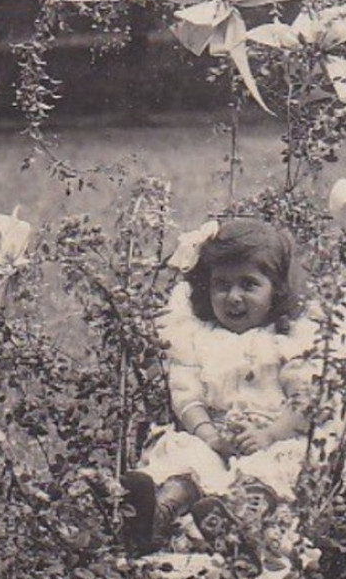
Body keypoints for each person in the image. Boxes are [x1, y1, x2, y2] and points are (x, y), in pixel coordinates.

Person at [123, 218, 320, 555]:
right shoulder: (199, 339)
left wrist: (269, 435)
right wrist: (208, 435)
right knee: (187, 457)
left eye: (249, 284)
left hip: (270, 437)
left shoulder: (286, 340)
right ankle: (158, 513)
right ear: (206, 288)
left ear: (276, 290)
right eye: (222, 285)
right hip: (214, 437)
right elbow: (186, 397)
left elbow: (305, 399)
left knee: (270, 470)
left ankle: (241, 526)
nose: (233, 297)